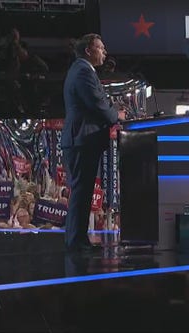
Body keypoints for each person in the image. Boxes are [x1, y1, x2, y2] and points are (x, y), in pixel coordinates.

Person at [61, 34, 126, 252]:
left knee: (83, 191)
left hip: (83, 140)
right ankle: (76, 242)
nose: (105, 52)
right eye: (101, 47)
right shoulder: (82, 71)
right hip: (81, 140)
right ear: (89, 50)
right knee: (81, 192)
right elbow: (97, 104)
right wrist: (116, 115)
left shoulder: (82, 70)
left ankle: (78, 240)